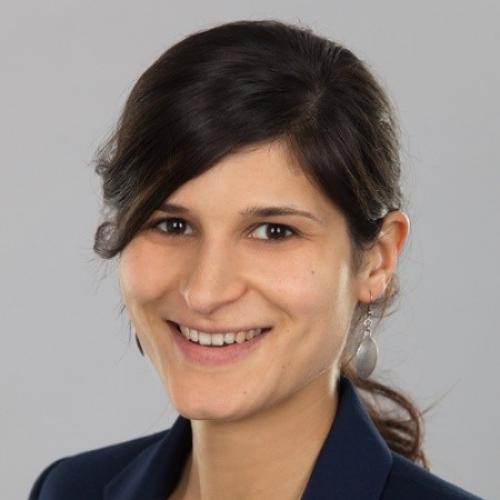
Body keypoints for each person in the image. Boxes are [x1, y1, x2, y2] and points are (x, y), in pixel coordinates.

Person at [29, 19, 482, 500]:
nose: (204, 292)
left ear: (377, 261)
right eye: (172, 225)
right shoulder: (68, 489)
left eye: (274, 231)